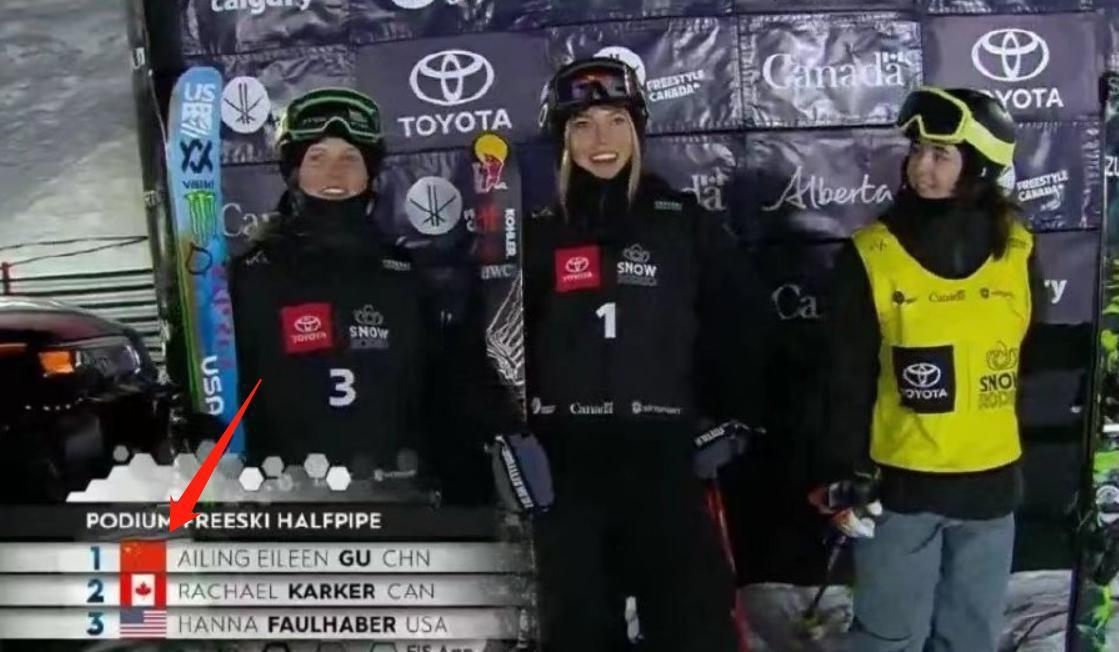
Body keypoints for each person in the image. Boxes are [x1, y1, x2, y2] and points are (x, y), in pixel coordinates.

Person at [526, 56, 762, 651]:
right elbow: (497, 348)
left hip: (665, 460)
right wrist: (506, 433)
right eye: (582, 125)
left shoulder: (683, 223)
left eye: (616, 121)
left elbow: (744, 330)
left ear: (639, 130)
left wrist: (733, 418)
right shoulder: (538, 233)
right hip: (568, 465)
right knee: (578, 631)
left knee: (694, 629)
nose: (600, 140)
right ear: (561, 139)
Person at [811, 86, 1044, 651]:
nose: (922, 167)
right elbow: (846, 375)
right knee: (889, 637)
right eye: (917, 151)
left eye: (941, 154)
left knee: (970, 637)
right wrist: (844, 470)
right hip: (902, 490)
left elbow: (1031, 357)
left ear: (980, 164)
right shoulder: (871, 253)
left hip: (990, 491)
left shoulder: (1017, 249)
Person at [227, 87, 520, 503]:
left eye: (350, 158)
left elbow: (450, 388)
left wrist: (502, 429)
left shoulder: (407, 277)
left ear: (370, 173)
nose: (334, 173)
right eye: (317, 158)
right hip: (287, 507)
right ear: (293, 172)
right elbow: (223, 387)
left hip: (399, 502)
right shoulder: (249, 277)